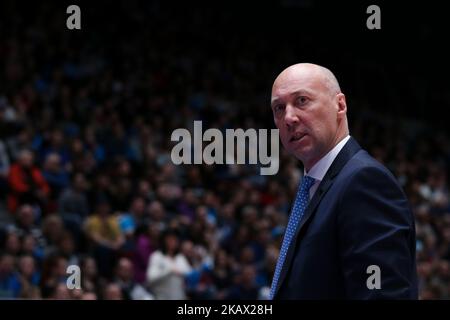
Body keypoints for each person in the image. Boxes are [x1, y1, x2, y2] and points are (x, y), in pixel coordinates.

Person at [269, 63, 418, 299]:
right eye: (279, 108)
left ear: (340, 105)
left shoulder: (364, 181)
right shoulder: (315, 187)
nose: (288, 117)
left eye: (302, 101)